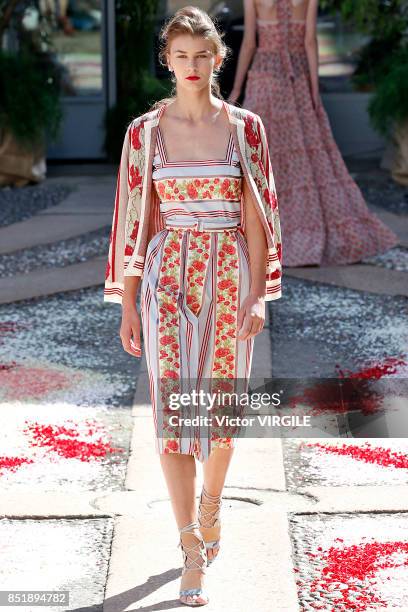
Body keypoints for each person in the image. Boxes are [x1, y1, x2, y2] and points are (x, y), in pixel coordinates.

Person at [104, 5, 282, 607]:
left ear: (218, 59)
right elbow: (132, 220)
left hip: (230, 272)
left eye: (202, 55)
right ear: (167, 60)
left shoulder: (245, 128)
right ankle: (190, 549)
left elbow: (260, 218)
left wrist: (261, 294)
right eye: (180, 56)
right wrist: (128, 303)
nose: (191, 66)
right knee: (175, 414)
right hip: (166, 277)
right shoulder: (143, 133)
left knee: (220, 411)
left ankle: (212, 505)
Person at [229, 0, 399, 267]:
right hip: (296, 81)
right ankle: (297, 236)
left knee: (258, 157)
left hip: (264, 78)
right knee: (305, 160)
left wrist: (236, 90)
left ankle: (256, 237)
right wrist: (314, 90)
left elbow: (249, 43)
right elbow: (309, 41)